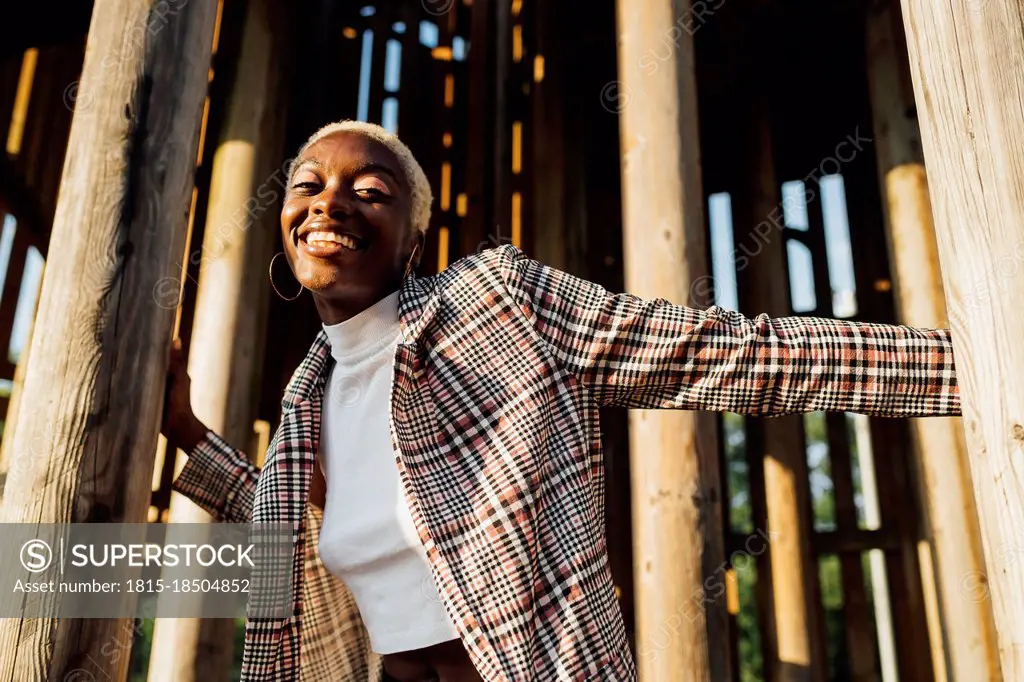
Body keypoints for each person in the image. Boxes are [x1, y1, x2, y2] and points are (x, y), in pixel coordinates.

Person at [161, 120, 960, 682]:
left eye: (369, 190)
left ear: (413, 239)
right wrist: (186, 432)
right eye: (307, 187)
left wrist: (963, 368)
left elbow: (720, 352)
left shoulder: (495, 304)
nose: (329, 202)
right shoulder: (312, 393)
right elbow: (290, 528)